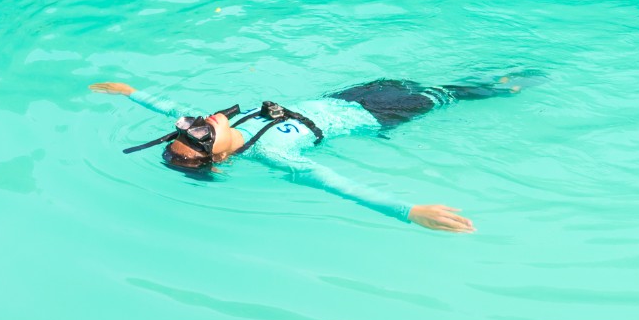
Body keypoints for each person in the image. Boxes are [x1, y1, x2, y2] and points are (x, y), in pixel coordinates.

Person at [90, 75, 528, 232]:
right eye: (200, 132)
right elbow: (341, 187)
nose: (198, 121)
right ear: (217, 158)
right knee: (457, 92)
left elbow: (168, 108)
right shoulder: (275, 156)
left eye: (187, 127)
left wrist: (130, 92)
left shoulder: (217, 126)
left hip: (343, 96)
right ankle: (509, 85)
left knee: (432, 79)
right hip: (379, 114)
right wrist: (409, 211)